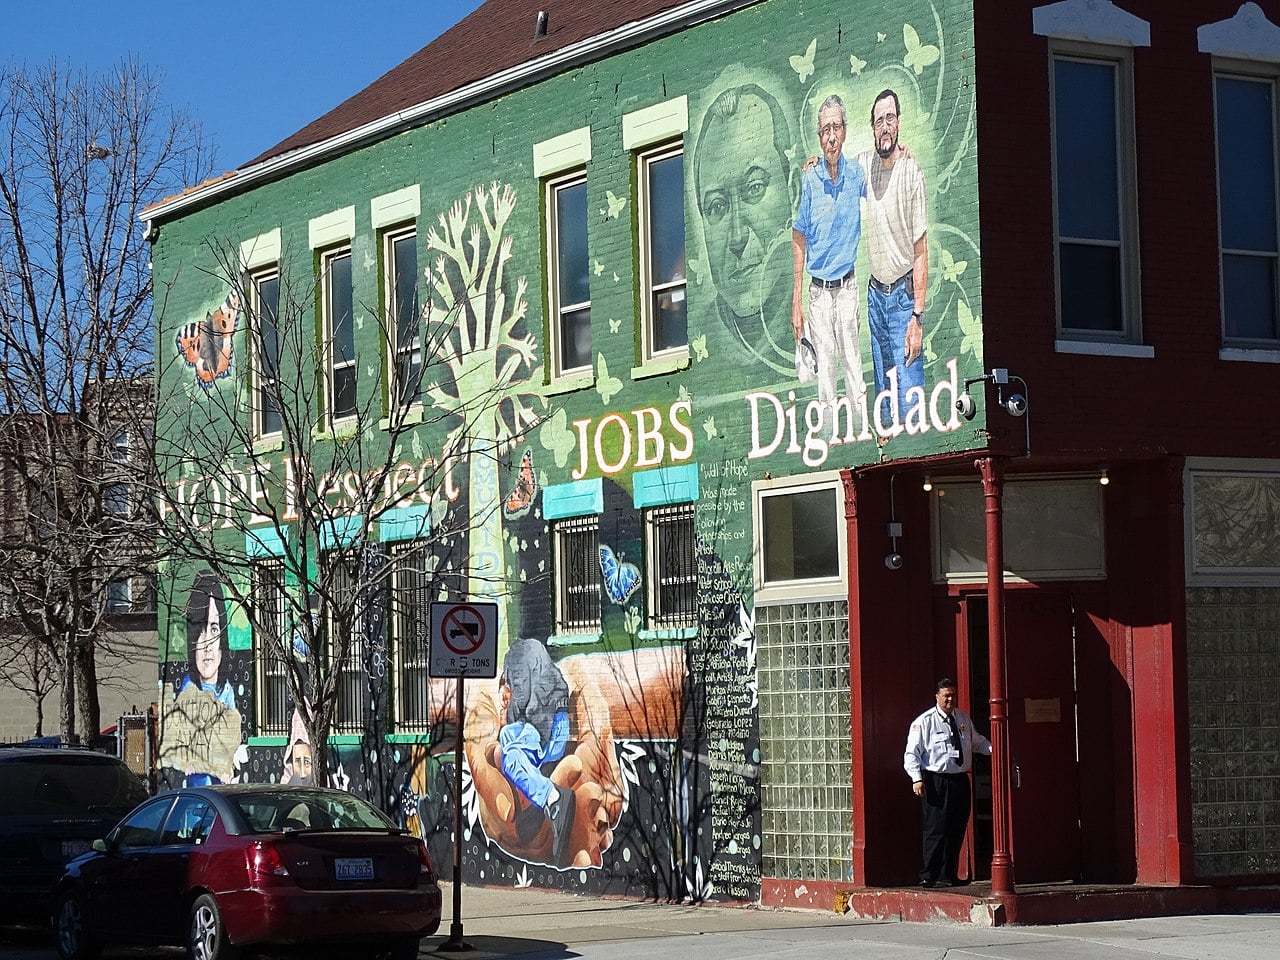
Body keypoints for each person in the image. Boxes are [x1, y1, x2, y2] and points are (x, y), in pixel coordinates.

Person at [694, 83, 797, 373]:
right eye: (716, 206)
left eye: (754, 188)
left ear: (795, 193)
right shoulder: (701, 339)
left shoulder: (830, 303)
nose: (737, 236)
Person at [792, 93, 868, 412]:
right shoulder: (809, 179)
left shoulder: (858, 174)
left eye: (836, 127)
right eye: (825, 130)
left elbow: (882, 183)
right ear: (819, 136)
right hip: (819, 294)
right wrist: (796, 301)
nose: (831, 137)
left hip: (847, 288)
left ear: (845, 131)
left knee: (853, 364)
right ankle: (829, 433)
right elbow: (799, 236)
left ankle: (859, 427)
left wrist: (901, 150)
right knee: (825, 373)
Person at [858, 89, 928, 429]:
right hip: (875, 297)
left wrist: (917, 316)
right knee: (884, 402)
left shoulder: (911, 173)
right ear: (872, 128)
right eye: (878, 121)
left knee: (910, 403)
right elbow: (834, 167)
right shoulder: (863, 166)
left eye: (890, 118)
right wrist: (814, 162)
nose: (884, 127)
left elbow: (921, 252)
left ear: (898, 122)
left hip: (903, 298)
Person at [904, 678, 992, 888]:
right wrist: (917, 779)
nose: (950, 699)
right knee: (935, 828)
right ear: (937, 697)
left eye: (953, 695)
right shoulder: (924, 722)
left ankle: (948, 874)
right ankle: (929, 875)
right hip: (936, 780)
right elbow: (911, 754)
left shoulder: (962, 718)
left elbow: (977, 742)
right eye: (946, 696)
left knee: (956, 827)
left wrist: (995, 748)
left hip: (959, 779)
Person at [497, 638, 577, 865]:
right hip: (559, 728)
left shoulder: (516, 657)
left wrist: (510, 715)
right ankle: (540, 804)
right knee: (510, 740)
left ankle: (553, 798)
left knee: (511, 756)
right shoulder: (544, 662)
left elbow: (522, 699)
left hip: (542, 728)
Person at [179, 572, 235, 711]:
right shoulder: (187, 692)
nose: (207, 644)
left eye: (214, 629)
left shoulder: (227, 691)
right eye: (200, 631)